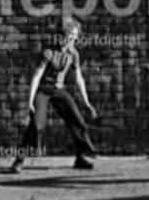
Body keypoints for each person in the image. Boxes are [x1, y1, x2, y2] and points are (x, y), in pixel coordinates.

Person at [9, 17, 98, 172]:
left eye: (75, 36)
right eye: (70, 35)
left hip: (58, 90)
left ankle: (80, 158)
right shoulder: (49, 52)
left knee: (77, 121)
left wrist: (87, 102)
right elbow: (37, 76)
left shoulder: (73, 54)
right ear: (62, 35)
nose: (72, 39)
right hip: (43, 90)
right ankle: (19, 160)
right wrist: (30, 101)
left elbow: (79, 79)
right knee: (36, 124)